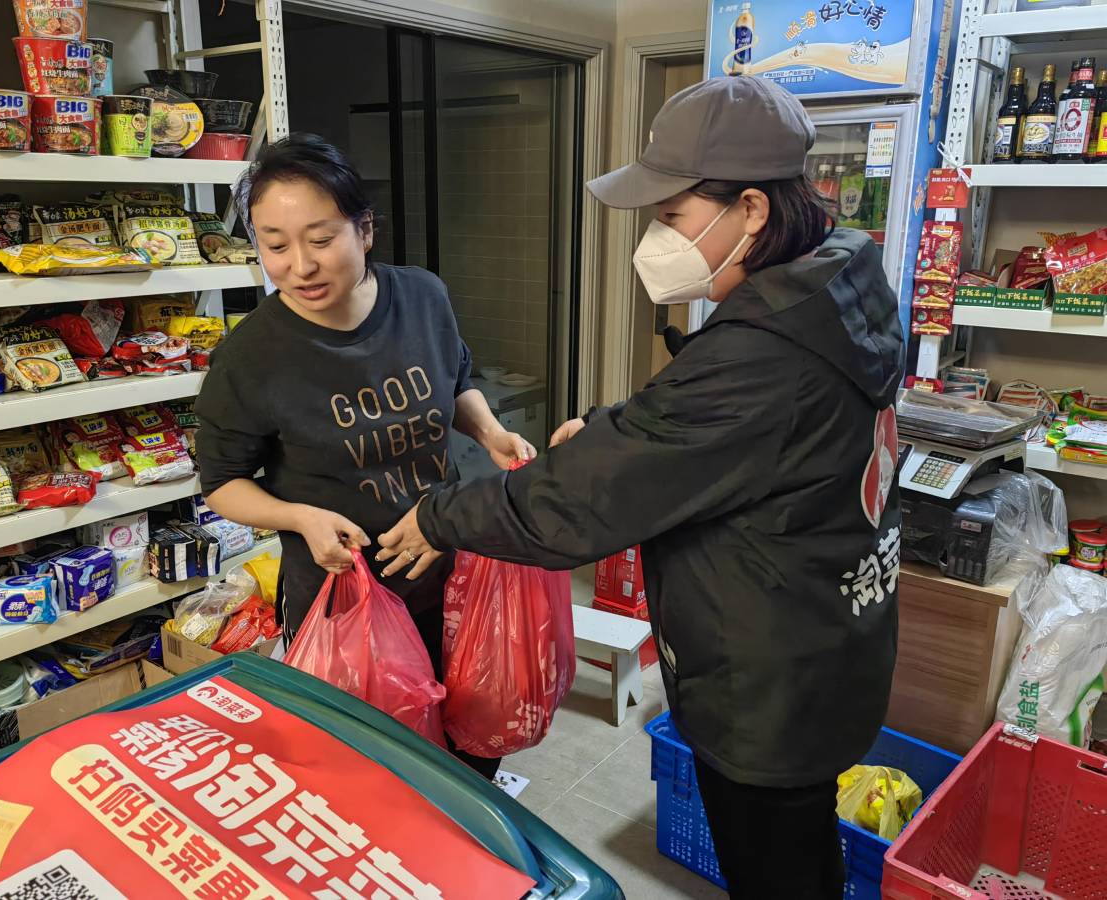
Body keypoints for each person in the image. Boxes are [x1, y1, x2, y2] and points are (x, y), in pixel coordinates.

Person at [376, 76, 905, 900]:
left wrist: (442, 517)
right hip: (828, 636)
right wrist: (617, 424)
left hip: (769, 678)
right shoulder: (839, 280)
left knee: (779, 867)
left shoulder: (762, 348)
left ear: (753, 211)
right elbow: (731, 432)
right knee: (801, 846)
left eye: (671, 216)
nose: (656, 239)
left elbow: (571, 508)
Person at [194, 134, 535, 781]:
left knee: (465, 757)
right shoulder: (252, 356)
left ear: (365, 229)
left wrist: (489, 432)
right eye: (275, 244)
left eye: (320, 238)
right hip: (344, 603)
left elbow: (455, 380)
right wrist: (299, 517)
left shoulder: (423, 299)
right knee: (370, 773)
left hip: (445, 575)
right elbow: (222, 483)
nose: (300, 264)